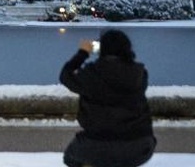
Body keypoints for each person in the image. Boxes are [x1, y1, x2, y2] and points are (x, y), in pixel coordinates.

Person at [59, 29, 156, 167]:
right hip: (140, 146)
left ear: (102, 49)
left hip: (98, 144)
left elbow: (66, 75)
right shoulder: (140, 74)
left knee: (71, 158)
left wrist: (83, 52)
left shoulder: (91, 74)